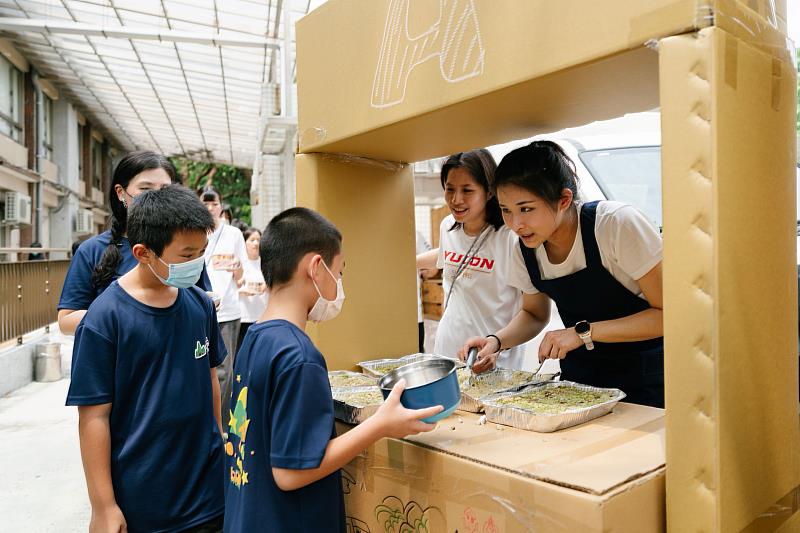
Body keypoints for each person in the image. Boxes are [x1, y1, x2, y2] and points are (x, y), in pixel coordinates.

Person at [223, 207, 442, 532]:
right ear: (315, 267)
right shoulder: (299, 356)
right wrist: (380, 424)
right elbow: (290, 473)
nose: (339, 284)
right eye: (339, 272)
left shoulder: (255, 336)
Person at [66, 185, 226, 532]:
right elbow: (94, 417)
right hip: (144, 499)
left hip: (208, 493)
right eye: (186, 255)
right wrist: (103, 505)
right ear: (143, 253)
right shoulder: (104, 319)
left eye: (201, 252)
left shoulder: (198, 305)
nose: (196, 263)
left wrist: (219, 434)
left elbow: (210, 377)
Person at [459, 141, 664, 407]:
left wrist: (582, 333)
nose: (516, 224)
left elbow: (667, 314)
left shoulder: (615, 225)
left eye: (526, 208)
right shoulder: (522, 247)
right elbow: (534, 314)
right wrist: (496, 341)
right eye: (506, 210)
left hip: (646, 381)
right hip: (581, 382)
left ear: (564, 199)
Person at [57, 151, 211, 335]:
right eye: (146, 189)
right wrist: (129, 316)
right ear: (121, 193)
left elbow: (201, 297)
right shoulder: (91, 250)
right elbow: (66, 320)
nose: (156, 198)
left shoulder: (185, 247)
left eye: (165, 189)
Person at [416, 149, 524, 368]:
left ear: (489, 191)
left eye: (467, 190)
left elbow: (531, 310)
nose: (456, 199)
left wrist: (499, 344)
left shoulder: (510, 237)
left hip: (493, 358)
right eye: (450, 189)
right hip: (448, 352)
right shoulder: (448, 227)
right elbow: (450, 256)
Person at [199, 186, 247, 428]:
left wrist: (237, 269)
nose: (209, 208)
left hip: (227, 310)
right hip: (199, 308)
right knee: (200, 368)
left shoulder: (233, 234)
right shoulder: (193, 229)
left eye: (213, 203)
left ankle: (224, 423)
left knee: (225, 370)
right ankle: (204, 418)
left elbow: (243, 275)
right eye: (204, 203)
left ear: (221, 205)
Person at [236, 227, 268, 353]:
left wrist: (267, 286)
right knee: (241, 351)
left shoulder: (266, 263)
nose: (256, 243)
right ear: (244, 243)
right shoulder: (239, 263)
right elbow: (231, 286)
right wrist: (242, 290)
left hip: (261, 315)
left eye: (258, 240)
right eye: (252, 240)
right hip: (243, 316)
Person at [415, 230, 433, 352]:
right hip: (413, 314)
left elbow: (431, 269)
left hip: (413, 314)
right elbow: (431, 270)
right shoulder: (413, 232)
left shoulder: (414, 234)